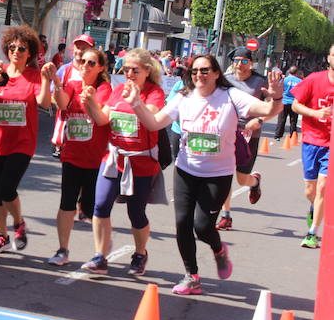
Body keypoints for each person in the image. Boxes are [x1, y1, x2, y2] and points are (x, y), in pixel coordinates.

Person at [124, 55, 282, 295]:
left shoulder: (230, 96)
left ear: (217, 73)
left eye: (205, 70)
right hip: (186, 170)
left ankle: (218, 249)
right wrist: (136, 103)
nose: (199, 75)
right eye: (195, 71)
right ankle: (192, 275)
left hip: (217, 174)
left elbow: (269, 110)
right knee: (182, 223)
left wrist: (276, 96)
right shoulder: (183, 97)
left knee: (203, 226)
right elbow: (155, 123)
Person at [80, 48, 165, 276]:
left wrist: (136, 101)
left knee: (136, 212)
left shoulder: (154, 93)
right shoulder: (118, 90)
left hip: (140, 163)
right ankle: (100, 256)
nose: (129, 73)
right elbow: (101, 119)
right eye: (125, 69)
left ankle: (140, 254)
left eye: (134, 70)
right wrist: (89, 102)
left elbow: (152, 120)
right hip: (114, 159)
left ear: (147, 71)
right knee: (100, 206)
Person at [0, 26, 51, 253]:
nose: (16, 52)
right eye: (12, 48)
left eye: (22, 48)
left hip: (21, 142)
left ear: (30, 53)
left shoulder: (33, 76)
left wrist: (47, 80)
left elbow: (45, 103)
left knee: (7, 189)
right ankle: (1, 235)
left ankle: (18, 223)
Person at [42, 48, 112, 266]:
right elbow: (62, 103)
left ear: (100, 68)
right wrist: (56, 81)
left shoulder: (105, 88)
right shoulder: (71, 85)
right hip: (72, 155)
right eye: (82, 61)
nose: (85, 66)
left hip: (96, 159)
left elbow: (101, 116)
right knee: (67, 203)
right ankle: (63, 250)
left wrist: (90, 100)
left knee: (93, 209)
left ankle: (102, 248)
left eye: (91, 63)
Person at [216, 47, 267, 229]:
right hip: (229, 132)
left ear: (251, 63)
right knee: (226, 174)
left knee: (241, 179)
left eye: (244, 61)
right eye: (237, 60)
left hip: (250, 134)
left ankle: (255, 182)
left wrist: (259, 119)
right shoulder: (226, 80)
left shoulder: (260, 81)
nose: (240, 64)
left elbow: (270, 106)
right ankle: (226, 215)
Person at [290, 44, 334, 248]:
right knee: (311, 190)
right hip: (312, 139)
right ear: (329, 57)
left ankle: (312, 233)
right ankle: (313, 207)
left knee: (324, 188)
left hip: (331, 144)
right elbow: (295, 104)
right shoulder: (315, 79)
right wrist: (316, 113)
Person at [275, 66, 302, 140]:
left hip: (284, 101)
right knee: (293, 120)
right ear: (297, 73)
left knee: (281, 119)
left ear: (289, 72)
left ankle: (278, 135)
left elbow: (279, 89)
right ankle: (292, 136)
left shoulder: (284, 80)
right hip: (294, 103)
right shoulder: (300, 81)